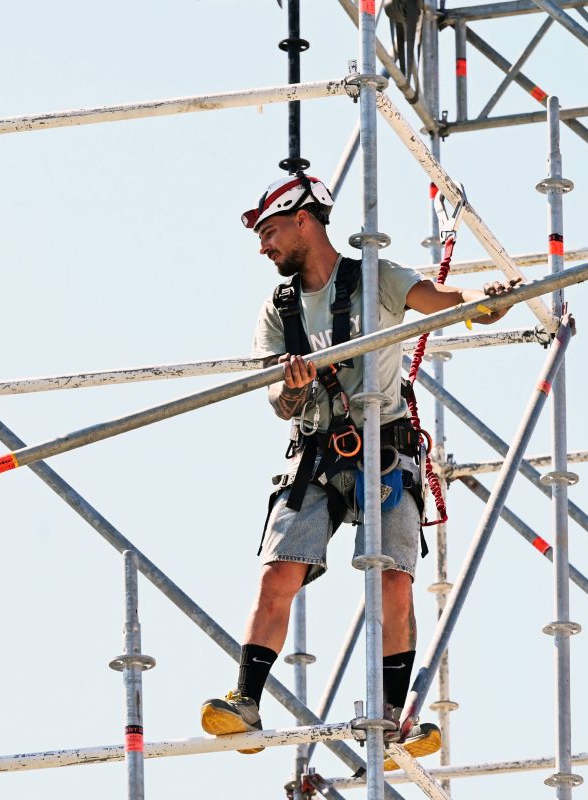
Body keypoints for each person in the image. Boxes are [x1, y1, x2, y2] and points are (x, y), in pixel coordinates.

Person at [200, 173, 518, 765]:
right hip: (318, 454)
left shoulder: (377, 279)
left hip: (387, 450)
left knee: (393, 581)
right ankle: (245, 698)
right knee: (279, 573)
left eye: (270, 232)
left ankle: (395, 720)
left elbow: (444, 306)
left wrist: (489, 302)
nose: (264, 247)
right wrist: (292, 389)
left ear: (304, 221)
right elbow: (279, 404)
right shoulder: (281, 309)